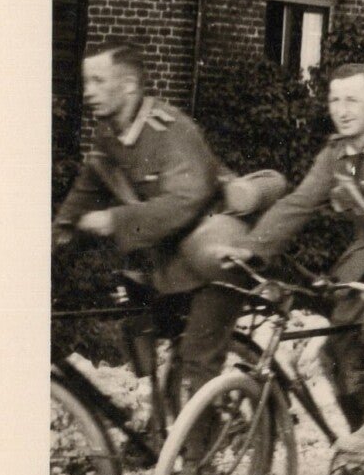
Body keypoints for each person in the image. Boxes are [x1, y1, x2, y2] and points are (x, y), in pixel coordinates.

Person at [232, 64, 364, 462]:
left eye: (352, 100)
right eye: (334, 99)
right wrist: (252, 248)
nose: (341, 110)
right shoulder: (337, 154)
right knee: (337, 347)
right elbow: (298, 203)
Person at [52, 44, 239, 412]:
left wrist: (114, 221)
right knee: (145, 340)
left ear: (128, 86)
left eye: (98, 81)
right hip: (171, 262)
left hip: (216, 258)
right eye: (86, 81)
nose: (88, 91)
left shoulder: (170, 130)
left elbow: (188, 199)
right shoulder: (110, 134)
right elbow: (90, 183)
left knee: (197, 360)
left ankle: (197, 466)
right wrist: (58, 230)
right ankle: (163, 436)